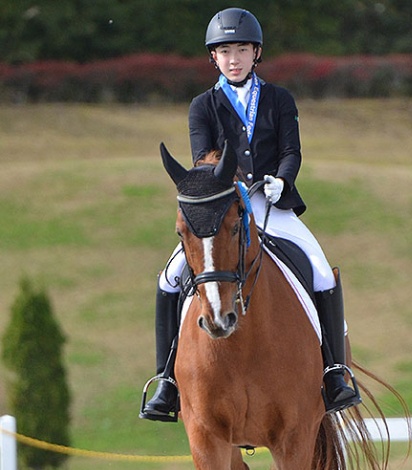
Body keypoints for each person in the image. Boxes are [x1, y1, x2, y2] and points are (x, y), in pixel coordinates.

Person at [140, 7, 360, 422]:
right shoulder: (202, 105)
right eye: (225, 51)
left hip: (273, 205)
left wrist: (282, 179)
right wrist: (233, 188)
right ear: (214, 58)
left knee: (320, 271)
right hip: (226, 207)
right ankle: (166, 380)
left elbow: (292, 149)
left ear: (256, 53)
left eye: (242, 49)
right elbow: (203, 159)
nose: (234, 58)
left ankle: (334, 371)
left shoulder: (278, 99)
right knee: (169, 279)